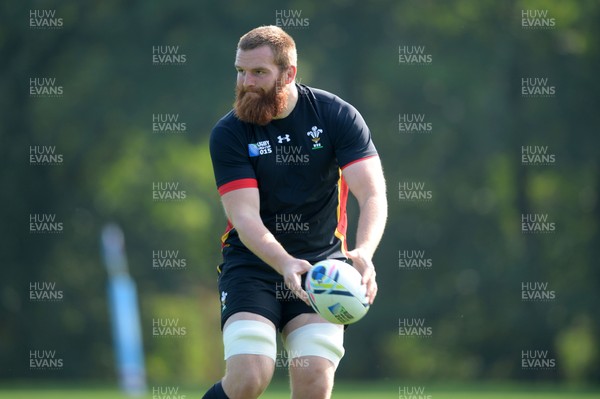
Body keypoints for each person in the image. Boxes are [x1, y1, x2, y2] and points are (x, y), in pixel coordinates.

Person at [204, 25, 387, 399]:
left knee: (314, 381)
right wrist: (285, 262)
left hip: (322, 268)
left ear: (287, 74)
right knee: (249, 377)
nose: (246, 82)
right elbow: (245, 218)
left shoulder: (336, 116)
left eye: (259, 73)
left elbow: (372, 194)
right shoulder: (230, 133)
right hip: (253, 266)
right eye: (240, 71)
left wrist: (364, 253)